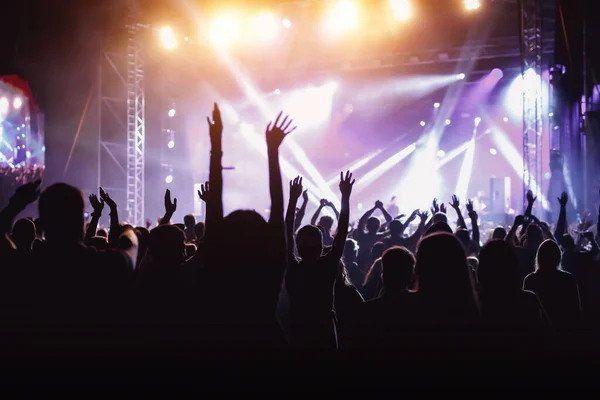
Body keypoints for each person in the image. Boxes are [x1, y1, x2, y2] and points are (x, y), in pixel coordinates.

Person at [286, 171, 354, 350]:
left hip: (297, 330)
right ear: (321, 246)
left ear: (298, 247)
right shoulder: (328, 266)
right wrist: (345, 197)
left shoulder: (293, 267)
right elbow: (342, 232)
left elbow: (286, 233)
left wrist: (293, 200)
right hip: (324, 331)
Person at [523, 239, 582, 333]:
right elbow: (576, 310)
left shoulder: (530, 279)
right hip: (565, 330)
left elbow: (526, 313)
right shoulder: (568, 279)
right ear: (558, 257)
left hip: (539, 334)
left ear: (539, 257)